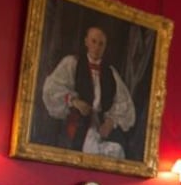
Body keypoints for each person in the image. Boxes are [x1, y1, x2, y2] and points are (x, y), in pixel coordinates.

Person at [42, 25, 136, 159]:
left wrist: (111, 121)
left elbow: (123, 103)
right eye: (93, 42)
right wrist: (74, 101)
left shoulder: (110, 73)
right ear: (86, 41)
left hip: (101, 126)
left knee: (117, 150)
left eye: (101, 44)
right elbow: (52, 89)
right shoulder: (71, 63)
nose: (97, 47)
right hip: (78, 122)